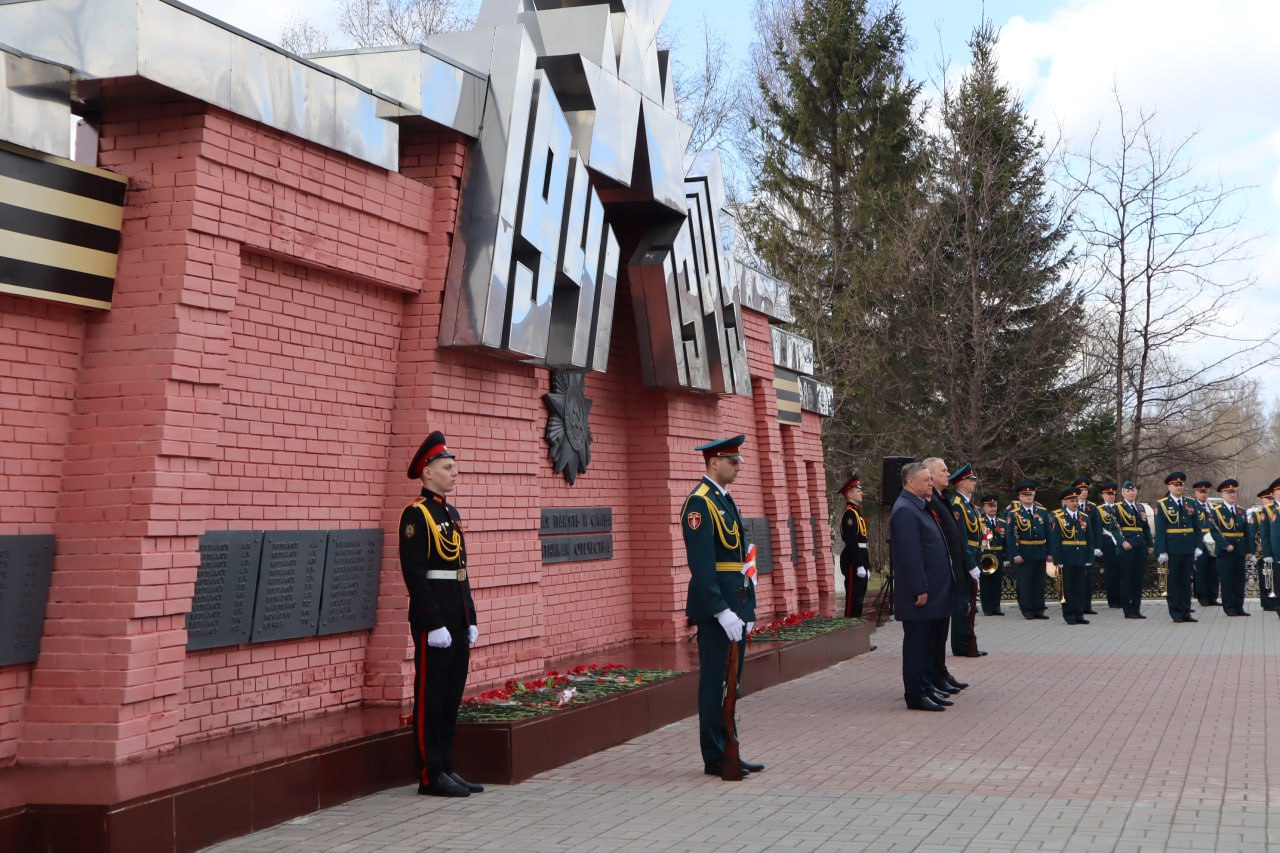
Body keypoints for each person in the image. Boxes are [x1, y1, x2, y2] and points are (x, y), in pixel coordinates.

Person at [399, 431, 482, 798]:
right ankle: (430, 774)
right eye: (447, 468)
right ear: (427, 472)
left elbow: (460, 569)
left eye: (454, 468)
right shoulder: (415, 515)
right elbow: (415, 574)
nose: (454, 474)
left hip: (457, 617)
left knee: (451, 696)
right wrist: (433, 623)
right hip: (435, 620)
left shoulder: (450, 512)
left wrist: (471, 618)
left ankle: (446, 765)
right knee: (431, 696)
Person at [680, 435, 763, 778]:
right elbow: (702, 566)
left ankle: (730, 746)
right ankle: (714, 755)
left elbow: (738, 559)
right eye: (732, 460)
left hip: (735, 604)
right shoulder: (700, 504)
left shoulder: (725, 499)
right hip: (718, 610)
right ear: (714, 462)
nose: (738, 465)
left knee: (732, 683)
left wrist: (746, 609)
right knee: (715, 682)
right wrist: (720, 610)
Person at [890, 462, 955, 711]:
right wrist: (920, 588)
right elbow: (910, 555)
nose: (931, 483)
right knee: (917, 644)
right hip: (918, 594)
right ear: (910, 483)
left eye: (931, 478)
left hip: (931, 590)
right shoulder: (905, 510)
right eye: (926, 479)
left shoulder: (919, 507)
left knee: (926, 644)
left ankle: (926, 687)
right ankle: (915, 694)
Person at [923, 457, 974, 688]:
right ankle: (934, 675)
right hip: (939, 576)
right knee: (933, 633)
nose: (948, 473)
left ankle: (940, 672)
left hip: (951, 573)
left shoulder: (941, 499)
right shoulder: (931, 501)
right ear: (930, 476)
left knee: (942, 629)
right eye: (943, 470)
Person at [1154, 471, 1203, 623]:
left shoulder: (1190, 503)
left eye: (1181, 484)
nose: (1179, 487)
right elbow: (1160, 529)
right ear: (1169, 486)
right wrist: (1161, 550)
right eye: (1176, 485)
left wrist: (1198, 545)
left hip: (1188, 547)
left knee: (1186, 581)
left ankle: (1186, 611)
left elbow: (1197, 527)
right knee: (1173, 582)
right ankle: (1176, 612)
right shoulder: (1162, 504)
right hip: (1172, 549)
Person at [947, 463, 985, 656]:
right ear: (961, 482)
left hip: (974, 556)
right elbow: (961, 538)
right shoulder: (957, 505)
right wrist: (970, 564)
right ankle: (961, 646)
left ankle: (968, 642)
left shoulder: (971, 506)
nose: (974, 482)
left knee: (969, 604)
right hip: (964, 560)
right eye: (971, 479)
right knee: (962, 604)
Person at [1005, 481, 1050, 619]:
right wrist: (1015, 554)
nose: (1028, 497)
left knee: (1039, 583)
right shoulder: (1014, 514)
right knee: (1025, 583)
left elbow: (1049, 533)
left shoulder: (1042, 512)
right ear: (1020, 497)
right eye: (1025, 495)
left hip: (1040, 551)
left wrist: (1050, 552)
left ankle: (1039, 609)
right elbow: (1010, 536)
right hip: (1024, 552)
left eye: (1030, 494)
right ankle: (1027, 610)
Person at [1207, 479, 1251, 616]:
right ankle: (1229, 607)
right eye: (1229, 492)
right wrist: (1225, 545)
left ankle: (1239, 607)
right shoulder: (1216, 512)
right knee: (1227, 580)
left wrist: (1249, 550)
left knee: (1239, 580)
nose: (1232, 495)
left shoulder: (1241, 512)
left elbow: (1247, 533)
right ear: (1222, 494)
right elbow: (1214, 531)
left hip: (1239, 550)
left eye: (1234, 492)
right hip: (1225, 551)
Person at [1050, 488, 1094, 624]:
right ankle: (1069, 615)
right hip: (1066, 558)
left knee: (1080, 587)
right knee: (1068, 588)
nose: (1075, 503)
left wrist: (1089, 558)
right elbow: (1055, 541)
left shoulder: (1084, 517)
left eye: (1076, 500)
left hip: (1080, 557)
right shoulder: (1059, 518)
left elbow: (1089, 540)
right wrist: (1058, 559)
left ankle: (1079, 614)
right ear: (1065, 502)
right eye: (1072, 501)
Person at [1115, 480, 1153, 619]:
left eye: (1133, 490)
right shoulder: (1117, 507)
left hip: (1140, 546)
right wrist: (1122, 542)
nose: (1131, 493)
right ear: (1123, 493)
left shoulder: (1140, 507)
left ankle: (1136, 609)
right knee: (1126, 579)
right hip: (1127, 547)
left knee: (1138, 580)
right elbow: (1114, 528)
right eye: (1128, 491)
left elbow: (1145, 527)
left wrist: (1150, 544)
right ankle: (1128, 609)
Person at [838, 474, 870, 619]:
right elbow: (851, 541)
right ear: (850, 494)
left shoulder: (856, 512)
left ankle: (857, 635)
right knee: (853, 599)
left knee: (859, 599)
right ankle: (850, 632)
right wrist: (858, 565)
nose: (861, 493)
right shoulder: (850, 514)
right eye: (858, 491)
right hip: (852, 560)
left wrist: (866, 565)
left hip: (860, 556)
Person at [1072, 478, 1101, 615]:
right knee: (1075, 578)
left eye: (1086, 490)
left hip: (1087, 547)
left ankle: (1087, 606)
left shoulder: (1092, 507)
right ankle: (1074, 604)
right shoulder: (1070, 506)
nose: (1084, 493)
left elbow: (1096, 528)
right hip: (1073, 547)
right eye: (1081, 490)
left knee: (1088, 577)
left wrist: (1097, 547)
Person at [1189, 480, 1221, 606]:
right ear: (1196, 493)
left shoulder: (1212, 506)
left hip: (1212, 542)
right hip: (1200, 541)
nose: (1203, 495)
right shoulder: (1192, 506)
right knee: (1201, 570)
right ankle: (1202, 596)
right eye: (1200, 492)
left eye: (1205, 492)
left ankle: (1212, 596)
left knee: (1213, 570)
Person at [1095, 483, 1125, 608]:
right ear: (1103, 495)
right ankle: (1113, 599)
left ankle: (1123, 598)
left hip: (1122, 542)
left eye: (1113, 494)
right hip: (1108, 543)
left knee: (1122, 572)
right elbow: (1097, 528)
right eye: (1108, 494)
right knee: (1111, 573)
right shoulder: (1099, 510)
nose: (1111, 496)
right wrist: (1099, 546)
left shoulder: (1120, 508)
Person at [978, 493, 1007, 615]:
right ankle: (987, 608)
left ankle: (996, 607)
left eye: (995, 506)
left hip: (998, 555)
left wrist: (1006, 556)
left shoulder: (1001, 522)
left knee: (997, 582)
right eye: (990, 506)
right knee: (986, 583)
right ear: (984, 507)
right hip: (986, 555)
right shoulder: (980, 522)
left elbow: (1006, 540)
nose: (993, 508)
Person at [1251, 486, 1277, 611]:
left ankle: (1273, 601)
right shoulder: (1257, 513)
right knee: (1265, 576)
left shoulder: (1275, 510)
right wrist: (1254, 550)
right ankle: (1267, 602)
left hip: (1274, 549)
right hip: (1263, 550)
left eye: (1272, 498)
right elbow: (1254, 533)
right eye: (1268, 499)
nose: (1270, 500)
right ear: (1262, 500)